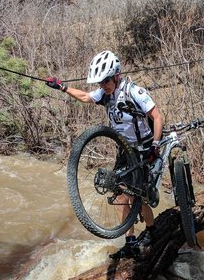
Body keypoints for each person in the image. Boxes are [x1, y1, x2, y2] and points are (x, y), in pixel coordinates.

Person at [47, 50, 163, 259]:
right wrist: (62, 87)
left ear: (117, 75)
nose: (103, 85)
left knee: (140, 196)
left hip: (143, 147)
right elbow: (85, 96)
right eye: (100, 82)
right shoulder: (104, 94)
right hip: (124, 150)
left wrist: (155, 146)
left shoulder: (134, 92)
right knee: (119, 196)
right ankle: (130, 241)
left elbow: (157, 115)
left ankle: (153, 231)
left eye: (106, 81)